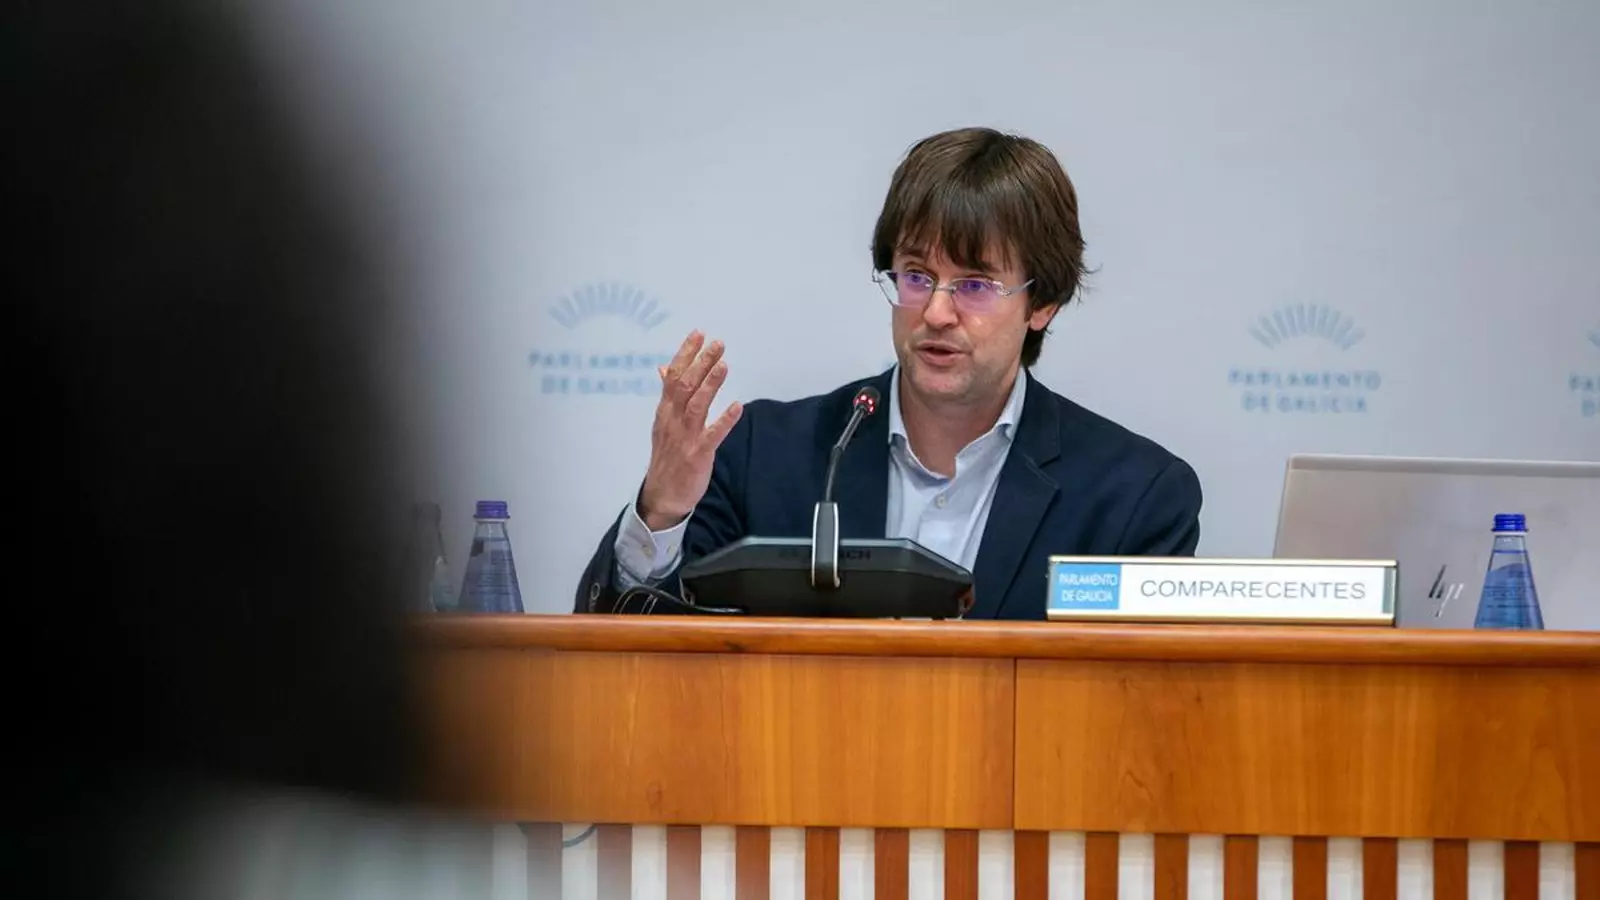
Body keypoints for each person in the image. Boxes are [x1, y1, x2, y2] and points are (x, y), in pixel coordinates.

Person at [574, 126, 1202, 620]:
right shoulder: (764, 455)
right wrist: (661, 513)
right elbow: (641, 660)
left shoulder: (1133, 497)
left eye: (975, 284)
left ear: (1043, 303)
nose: (936, 312)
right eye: (917, 276)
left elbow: (1140, 706)